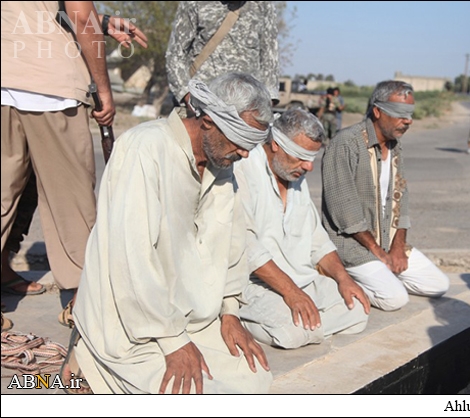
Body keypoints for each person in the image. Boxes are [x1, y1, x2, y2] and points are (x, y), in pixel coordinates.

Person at [70, 73, 274, 394]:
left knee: (257, 378)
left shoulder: (223, 163)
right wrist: (173, 342)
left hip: (192, 319)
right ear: (207, 121)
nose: (246, 154)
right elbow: (130, 256)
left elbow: (233, 243)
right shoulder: (145, 148)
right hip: (136, 323)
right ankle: (89, 366)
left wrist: (229, 312)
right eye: (241, 141)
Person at [0, 9, 148, 299]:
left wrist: (101, 21)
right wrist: (103, 91)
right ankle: (84, 298)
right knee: (71, 199)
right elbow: (81, 18)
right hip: (51, 87)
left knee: (3, 192)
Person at [234, 109, 370, 349]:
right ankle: (297, 328)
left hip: (302, 281)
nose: (309, 167)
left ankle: (309, 329)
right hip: (257, 286)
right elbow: (247, 247)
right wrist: (290, 293)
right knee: (291, 333)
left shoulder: (296, 176)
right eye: (301, 157)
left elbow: (317, 241)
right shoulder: (244, 169)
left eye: (312, 158)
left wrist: (343, 278)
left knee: (357, 307)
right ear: (275, 144)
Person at [321, 80, 450, 312]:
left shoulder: (394, 145)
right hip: (351, 245)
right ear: (378, 111)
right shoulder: (346, 144)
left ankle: (382, 276)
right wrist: (378, 252)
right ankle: (337, 277)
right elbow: (345, 210)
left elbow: (402, 197)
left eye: (410, 114)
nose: (408, 120)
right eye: (400, 114)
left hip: (385, 240)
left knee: (438, 285)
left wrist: (397, 247)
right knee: (395, 300)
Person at [166, 1, 280, 113]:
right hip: (203, 105)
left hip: (246, 109)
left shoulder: (264, 5)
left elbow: (270, 58)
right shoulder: (193, 3)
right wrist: (187, 95)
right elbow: (175, 53)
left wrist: (268, 102)